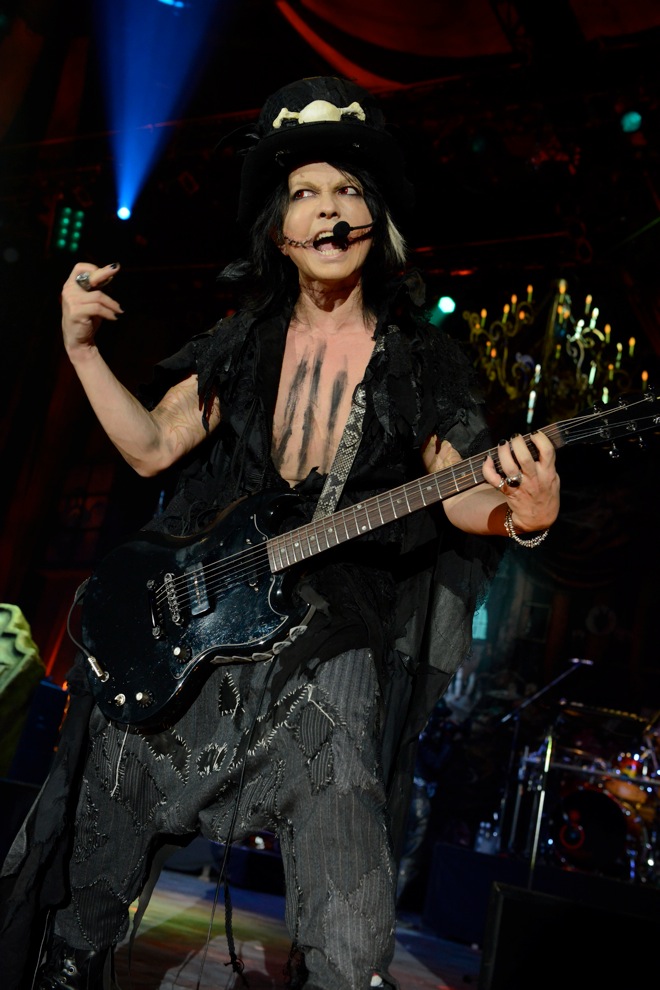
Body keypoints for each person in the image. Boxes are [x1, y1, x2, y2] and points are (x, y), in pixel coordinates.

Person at [0, 75, 560, 990]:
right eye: (305, 193)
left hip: (332, 625)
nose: (329, 211)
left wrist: (520, 516)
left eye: (347, 191)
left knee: (342, 814)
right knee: (119, 768)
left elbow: (459, 492)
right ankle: (73, 956)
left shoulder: (418, 360)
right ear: (279, 228)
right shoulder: (243, 343)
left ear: (376, 220)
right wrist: (81, 351)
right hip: (212, 605)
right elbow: (151, 447)